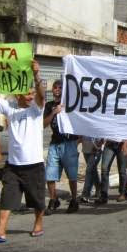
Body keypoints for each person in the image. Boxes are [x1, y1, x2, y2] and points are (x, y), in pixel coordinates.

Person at [0, 60, 46, 243]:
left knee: (36, 199)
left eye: (32, 93)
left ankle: (38, 223)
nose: (31, 96)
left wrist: (36, 75)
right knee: (7, 196)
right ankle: (1, 230)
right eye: (27, 93)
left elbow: (42, 96)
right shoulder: (10, 109)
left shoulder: (37, 110)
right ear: (18, 94)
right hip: (13, 165)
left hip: (34, 164)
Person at [44, 79, 80, 215]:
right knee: (50, 174)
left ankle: (74, 200)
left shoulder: (71, 105)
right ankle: (53, 199)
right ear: (52, 90)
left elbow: (80, 121)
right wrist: (54, 112)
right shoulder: (49, 105)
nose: (57, 90)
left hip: (69, 143)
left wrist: (79, 139)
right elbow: (43, 124)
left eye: (60, 87)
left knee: (72, 175)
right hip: (55, 143)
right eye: (55, 87)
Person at [80, 137, 103, 204]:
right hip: (86, 149)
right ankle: (99, 188)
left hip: (95, 150)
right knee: (93, 170)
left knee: (89, 170)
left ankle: (86, 194)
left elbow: (102, 136)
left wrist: (98, 146)